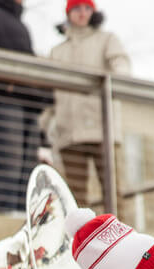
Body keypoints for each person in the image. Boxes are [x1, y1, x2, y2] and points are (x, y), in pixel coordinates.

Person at [40, 0, 131, 202]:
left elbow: (121, 66)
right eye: (77, 8)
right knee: (75, 199)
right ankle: (81, 235)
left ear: (93, 12)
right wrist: (42, 128)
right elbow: (50, 94)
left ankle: (120, 234)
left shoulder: (107, 39)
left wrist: (121, 79)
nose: (82, 13)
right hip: (69, 133)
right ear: (68, 13)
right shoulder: (58, 50)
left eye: (87, 8)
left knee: (113, 194)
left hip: (103, 129)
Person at [0, 0, 52, 214]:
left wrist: (43, 92)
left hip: (29, 103)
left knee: (28, 169)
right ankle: (4, 216)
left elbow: (30, 64)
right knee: (8, 164)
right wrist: (2, 80)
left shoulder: (22, 26)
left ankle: (24, 217)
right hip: (6, 99)